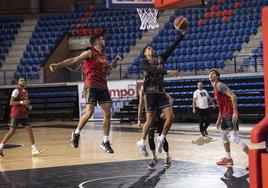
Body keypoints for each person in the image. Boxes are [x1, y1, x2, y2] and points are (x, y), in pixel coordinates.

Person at [49, 33, 121, 153]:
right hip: (91, 85)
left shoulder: (103, 55)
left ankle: (105, 141)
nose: (104, 40)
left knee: (108, 112)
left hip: (102, 85)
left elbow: (105, 69)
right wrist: (57, 65)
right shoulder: (89, 52)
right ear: (97, 41)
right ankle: (76, 133)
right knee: (89, 112)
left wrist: (112, 64)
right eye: (102, 39)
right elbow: (74, 59)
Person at [136, 20, 188, 157]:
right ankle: (141, 142)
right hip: (149, 93)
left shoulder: (160, 58)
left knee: (170, 117)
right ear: (145, 53)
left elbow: (171, 48)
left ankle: (162, 137)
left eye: (150, 48)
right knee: (149, 120)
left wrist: (182, 35)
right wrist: (169, 72)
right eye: (147, 49)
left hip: (160, 92)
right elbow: (154, 71)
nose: (150, 49)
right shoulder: (143, 63)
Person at [208, 69, 249, 166]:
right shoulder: (214, 88)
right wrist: (219, 119)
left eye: (213, 74)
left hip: (230, 115)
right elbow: (221, 105)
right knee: (223, 136)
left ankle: (253, 159)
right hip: (224, 116)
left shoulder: (219, 85)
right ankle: (229, 159)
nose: (211, 75)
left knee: (235, 138)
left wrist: (235, 112)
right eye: (210, 74)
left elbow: (233, 96)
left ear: (217, 76)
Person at [0, 78, 44, 157]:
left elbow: (24, 103)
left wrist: (28, 106)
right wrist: (21, 102)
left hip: (24, 114)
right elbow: (11, 103)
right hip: (16, 114)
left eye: (23, 81)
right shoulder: (16, 91)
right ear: (18, 83)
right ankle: (1, 146)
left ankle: (34, 149)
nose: (23, 82)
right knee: (12, 132)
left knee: (29, 130)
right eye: (21, 80)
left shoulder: (26, 92)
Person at [137, 88, 173, 168]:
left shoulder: (158, 87)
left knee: (162, 138)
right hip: (150, 117)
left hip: (160, 115)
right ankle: (154, 158)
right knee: (150, 137)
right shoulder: (143, 91)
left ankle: (167, 156)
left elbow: (171, 99)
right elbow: (140, 105)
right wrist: (139, 119)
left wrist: (165, 112)